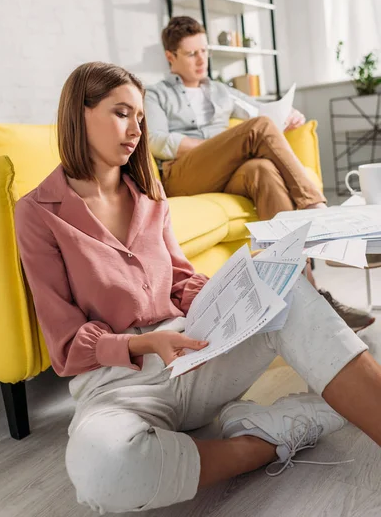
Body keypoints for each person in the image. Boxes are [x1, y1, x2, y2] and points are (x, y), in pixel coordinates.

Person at [15, 62, 381, 514]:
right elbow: (66, 346)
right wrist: (147, 342)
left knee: (284, 290)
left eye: (140, 117)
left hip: (194, 352)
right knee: (99, 470)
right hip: (118, 387)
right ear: (79, 113)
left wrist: (243, 288)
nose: (135, 129)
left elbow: (183, 279)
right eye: (121, 113)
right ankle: (270, 437)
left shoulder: (148, 195)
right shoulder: (36, 212)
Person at [145, 16, 375, 331]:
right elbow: (156, 139)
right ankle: (317, 209)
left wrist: (288, 114)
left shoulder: (220, 90)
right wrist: (214, 146)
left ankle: (303, 292)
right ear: (171, 57)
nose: (202, 60)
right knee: (260, 131)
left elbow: (262, 113)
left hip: (224, 172)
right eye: (191, 54)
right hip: (183, 173)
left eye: (204, 51)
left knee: (263, 170)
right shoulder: (156, 94)